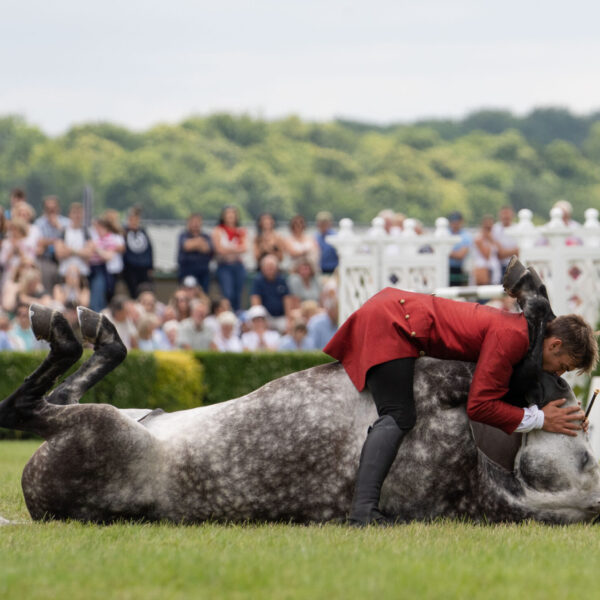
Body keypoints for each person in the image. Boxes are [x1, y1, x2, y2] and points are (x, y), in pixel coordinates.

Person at [323, 283, 598, 526]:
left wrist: (567, 417)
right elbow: (480, 406)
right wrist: (540, 419)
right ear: (554, 345)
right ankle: (362, 512)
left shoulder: (523, 336)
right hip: (392, 321)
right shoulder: (513, 338)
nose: (557, 374)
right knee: (398, 416)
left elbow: (507, 393)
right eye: (562, 367)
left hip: (395, 312)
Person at [212, 206, 247, 312]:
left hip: (238, 266)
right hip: (224, 266)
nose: (231, 216)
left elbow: (244, 248)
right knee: (228, 293)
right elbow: (219, 250)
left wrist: (227, 250)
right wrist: (235, 250)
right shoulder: (218, 230)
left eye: (233, 214)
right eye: (228, 213)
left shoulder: (240, 231)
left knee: (238, 293)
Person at [34, 195, 70, 293]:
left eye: (53, 208)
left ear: (58, 208)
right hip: (47, 258)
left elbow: (70, 240)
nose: (51, 211)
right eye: (48, 209)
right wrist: (55, 241)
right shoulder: (39, 223)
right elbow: (39, 241)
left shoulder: (66, 222)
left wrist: (58, 226)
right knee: (44, 271)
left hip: (65, 258)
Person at [250, 253, 291, 332]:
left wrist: (288, 319)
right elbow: (255, 301)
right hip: (266, 317)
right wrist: (261, 320)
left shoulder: (281, 280)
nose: (270, 269)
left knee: (288, 328)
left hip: (280, 316)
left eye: (272, 267)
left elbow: (287, 299)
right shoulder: (258, 280)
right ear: (262, 268)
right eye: (267, 267)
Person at [54, 202, 92, 280]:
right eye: (74, 213)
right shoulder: (63, 232)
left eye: (79, 213)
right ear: (70, 215)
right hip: (65, 272)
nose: (77, 216)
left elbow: (89, 254)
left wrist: (70, 250)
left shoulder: (86, 232)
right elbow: (59, 253)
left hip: (82, 272)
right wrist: (80, 252)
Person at [177, 213, 213, 293]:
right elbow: (186, 246)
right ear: (188, 223)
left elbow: (207, 249)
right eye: (193, 222)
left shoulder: (207, 236)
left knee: (203, 295)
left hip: (203, 272)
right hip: (186, 270)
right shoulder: (183, 235)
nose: (195, 224)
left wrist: (194, 244)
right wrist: (199, 242)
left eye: (197, 222)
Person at [123, 205, 154, 298]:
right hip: (131, 268)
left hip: (144, 267)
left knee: (146, 290)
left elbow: (149, 249)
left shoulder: (143, 232)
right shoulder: (124, 232)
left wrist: (150, 266)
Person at [472, 215, 502, 285]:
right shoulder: (478, 239)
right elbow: (486, 255)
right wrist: (488, 239)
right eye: (486, 227)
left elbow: (500, 252)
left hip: (494, 270)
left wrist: (491, 239)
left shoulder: (493, 238)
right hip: (482, 270)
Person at [492, 206, 519, 278]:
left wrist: (504, 252)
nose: (506, 217)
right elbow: (499, 254)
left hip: (516, 266)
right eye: (504, 214)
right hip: (499, 266)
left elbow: (520, 251)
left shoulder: (518, 228)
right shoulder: (494, 229)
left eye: (508, 214)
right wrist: (513, 252)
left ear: (512, 215)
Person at [447, 211, 472, 286]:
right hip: (445, 268)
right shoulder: (446, 233)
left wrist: (445, 252)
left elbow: (461, 255)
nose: (455, 224)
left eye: (457, 222)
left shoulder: (466, 236)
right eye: (453, 222)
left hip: (458, 270)